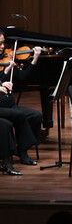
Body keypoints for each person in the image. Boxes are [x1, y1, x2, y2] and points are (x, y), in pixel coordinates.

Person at [0, 34, 45, 169]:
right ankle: (23, 152)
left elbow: (23, 77)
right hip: (1, 106)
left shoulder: (8, 59)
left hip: (9, 104)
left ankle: (22, 148)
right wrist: (6, 72)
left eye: (3, 43)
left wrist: (35, 59)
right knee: (19, 115)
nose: (2, 47)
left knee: (36, 115)